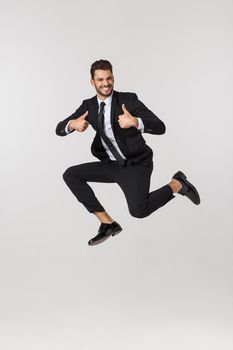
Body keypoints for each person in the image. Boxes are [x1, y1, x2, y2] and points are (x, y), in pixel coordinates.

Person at [55, 59, 200, 246]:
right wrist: (71, 124)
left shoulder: (128, 100)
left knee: (139, 211)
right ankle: (107, 223)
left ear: (113, 78)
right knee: (71, 175)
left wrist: (136, 122)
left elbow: (160, 126)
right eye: (100, 80)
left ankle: (177, 184)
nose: (105, 83)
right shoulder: (88, 106)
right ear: (92, 82)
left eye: (109, 78)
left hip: (136, 163)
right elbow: (59, 129)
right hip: (112, 165)